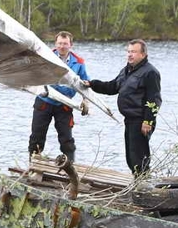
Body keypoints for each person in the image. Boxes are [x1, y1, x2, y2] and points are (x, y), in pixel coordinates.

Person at [84, 39, 161, 176]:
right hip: (129, 119)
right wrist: (92, 84)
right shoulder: (126, 70)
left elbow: (154, 99)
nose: (130, 55)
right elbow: (112, 87)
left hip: (141, 120)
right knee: (131, 156)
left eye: (134, 52)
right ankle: (136, 181)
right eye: (129, 51)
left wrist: (148, 121)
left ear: (143, 54)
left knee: (139, 156)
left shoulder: (150, 72)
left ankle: (143, 185)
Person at [28, 31, 89, 163]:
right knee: (37, 136)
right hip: (44, 101)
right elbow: (34, 72)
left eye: (65, 44)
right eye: (60, 43)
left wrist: (85, 100)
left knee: (66, 138)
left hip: (64, 104)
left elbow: (85, 83)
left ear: (71, 45)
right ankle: (33, 165)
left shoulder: (78, 62)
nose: (62, 46)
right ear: (56, 44)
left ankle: (69, 166)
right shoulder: (45, 56)